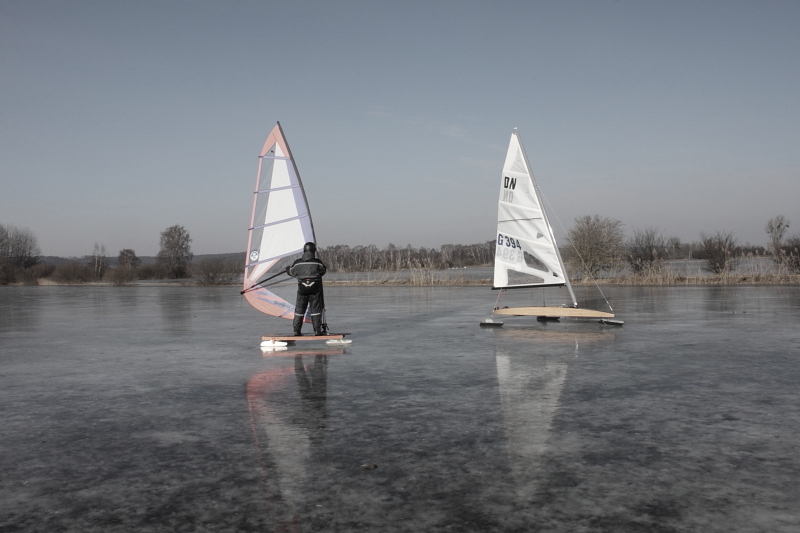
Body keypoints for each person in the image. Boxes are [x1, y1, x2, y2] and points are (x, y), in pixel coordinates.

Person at [288, 242, 327, 336]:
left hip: (302, 290)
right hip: (315, 290)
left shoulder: (297, 263)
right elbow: (323, 271)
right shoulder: (318, 262)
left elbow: (291, 272)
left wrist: (287, 269)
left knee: (299, 310)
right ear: (314, 251)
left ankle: (297, 331)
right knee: (316, 310)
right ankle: (317, 331)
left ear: (304, 250)